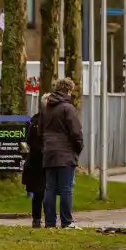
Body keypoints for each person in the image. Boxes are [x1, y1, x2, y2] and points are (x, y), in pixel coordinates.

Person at [41, 78, 84, 228]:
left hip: (49, 153)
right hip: (65, 153)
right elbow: (76, 132)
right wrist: (78, 149)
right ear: (68, 90)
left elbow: (41, 131)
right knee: (66, 188)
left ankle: (50, 222)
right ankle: (67, 222)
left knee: (50, 188)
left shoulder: (47, 108)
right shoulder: (67, 108)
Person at [22, 93, 48, 227]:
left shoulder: (34, 120)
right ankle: (47, 219)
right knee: (45, 191)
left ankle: (37, 219)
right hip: (44, 161)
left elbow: (28, 141)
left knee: (39, 192)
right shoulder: (47, 121)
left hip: (36, 161)